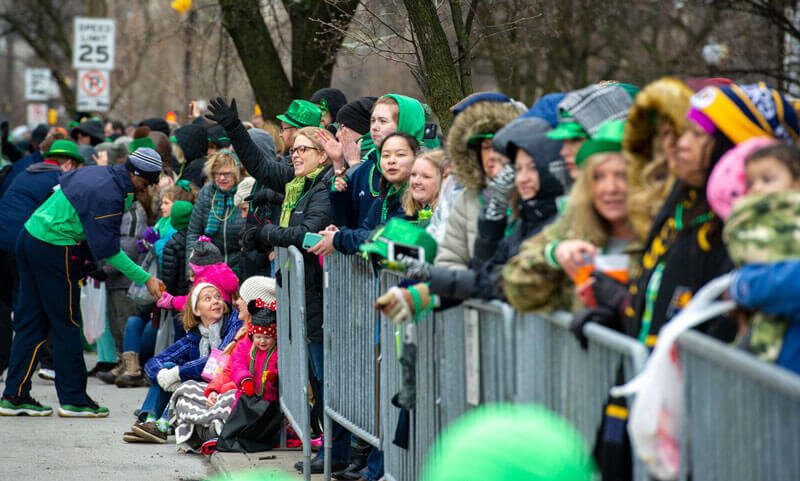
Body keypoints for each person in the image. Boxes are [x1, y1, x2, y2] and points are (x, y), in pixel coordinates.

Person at [204, 97, 347, 473]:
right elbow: (264, 167)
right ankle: (328, 447)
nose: (293, 153)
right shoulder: (298, 181)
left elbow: (306, 232)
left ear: (321, 152)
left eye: (301, 148)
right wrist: (234, 128)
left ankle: (337, 451)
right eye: (293, 147)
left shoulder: (323, 186)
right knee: (315, 374)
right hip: (302, 297)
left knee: (326, 375)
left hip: (320, 296)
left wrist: (267, 233)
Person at [624, 83, 799, 348]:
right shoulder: (684, 200)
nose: (681, 144)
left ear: (733, 146)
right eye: (686, 132)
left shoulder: (753, 230)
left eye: (698, 135)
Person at [0, 148, 165, 417]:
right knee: (67, 323)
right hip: (55, 246)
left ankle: (14, 395)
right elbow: (110, 250)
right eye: (146, 183)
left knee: (31, 321)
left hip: (29, 236)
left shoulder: (98, 173)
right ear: (136, 175)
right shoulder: (110, 194)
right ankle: (74, 399)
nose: (146, 189)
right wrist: (146, 279)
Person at [378, 118, 565, 319]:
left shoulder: (553, 215)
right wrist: (431, 292)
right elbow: (487, 271)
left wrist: (431, 280)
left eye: (532, 168)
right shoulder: (506, 206)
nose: (524, 177)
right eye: (519, 169)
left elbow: (515, 281)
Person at [503, 120, 633, 317]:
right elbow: (514, 284)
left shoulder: (661, 231)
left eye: (622, 176)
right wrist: (553, 255)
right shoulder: (574, 225)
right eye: (599, 177)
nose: (611, 188)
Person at [0, 137, 83, 378]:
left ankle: (4, 359)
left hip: (2, 239)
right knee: (36, 303)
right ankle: (48, 361)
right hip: (25, 242)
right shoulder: (59, 181)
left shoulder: (25, 172)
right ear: (68, 163)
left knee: (4, 304)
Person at [715, 142, 800, 373]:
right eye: (751, 183)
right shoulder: (750, 220)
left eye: (768, 180)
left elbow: (790, 284)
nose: (758, 189)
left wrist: (740, 285)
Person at [169, 276, 277, 452]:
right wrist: (213, 389)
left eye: (241, 298)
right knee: (186, 389)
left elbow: (244, 376)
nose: (236, 302)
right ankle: (207, 431)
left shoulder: (262, 338)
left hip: (250, 396)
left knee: (230, 399)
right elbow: (228, 369)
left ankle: (209, 432)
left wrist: (222, 390)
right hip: (231, 388)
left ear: (252, 304)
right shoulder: (244, 333)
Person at [126, 281, 242, 443]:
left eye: (218, 297)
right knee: (166, 367)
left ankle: (163, 424)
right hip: (201, 386)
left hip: (222, 384)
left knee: (179, 374)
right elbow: (153, 362)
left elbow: (219, 360)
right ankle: (148, 419)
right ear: (196, 309)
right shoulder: (193, 338)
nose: (216, 301)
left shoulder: (232, 325)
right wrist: (163, 374)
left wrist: (178, 373)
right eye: (207, 299)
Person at [434, 93, 524, 269]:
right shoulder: (468, 199)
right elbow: (450, 259)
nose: (491, 156)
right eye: (485, 148)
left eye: (498, 145)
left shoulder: (530, 192)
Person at [314, 132, 420, 255]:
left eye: (400, 155)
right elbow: (365, 230)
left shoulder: (417, 196)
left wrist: (338, 238)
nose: (391, 161)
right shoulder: (384, 197)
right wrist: (338, 233)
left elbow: (384, 237)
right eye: (385, 155)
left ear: (416, 158)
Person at [326, 95, 421, 229]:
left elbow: (388, 235)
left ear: (404, 124)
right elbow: (349, 224)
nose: (375, 127)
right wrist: (339, 194)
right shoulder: (368, 166)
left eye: (383, 121)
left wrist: (342, 238)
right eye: (373, 121)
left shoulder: (421, 173)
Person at [185, 150, 247, 274]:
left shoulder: (245, 192)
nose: (221, 178)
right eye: (217, 174)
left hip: (240, 266)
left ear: (236, 174)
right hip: (210, 266)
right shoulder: (206, 193)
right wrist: (193, 266)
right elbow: (194, 233)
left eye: (227, 174)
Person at [402, 149, 448, 225]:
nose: (416, 181)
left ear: (444, 180)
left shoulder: (444, 218)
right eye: (413, 174)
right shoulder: (426, 209)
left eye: (426, 176)